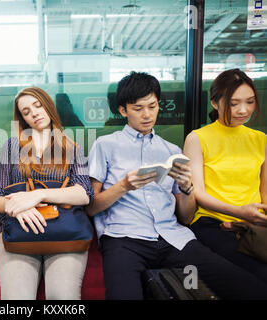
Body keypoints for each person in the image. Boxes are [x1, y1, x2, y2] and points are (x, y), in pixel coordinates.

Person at [87, 71, 267, 299]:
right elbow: (91, 206)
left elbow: (185, 217)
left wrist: (186, 188)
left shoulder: (171, 151)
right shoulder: (105, 145)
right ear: (123, 110)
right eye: (138, 108)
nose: (147, 115)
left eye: (152, 106)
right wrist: (123, 186)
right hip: (124, 239)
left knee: (250, 288)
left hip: (173, 238)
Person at [0, 87, 93, 300]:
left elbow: (84, 194)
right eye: (26, 111)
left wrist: (37, 196)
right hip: (19, 232)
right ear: (23, 119)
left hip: (65, 234)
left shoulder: (73, 147)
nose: (35, 113)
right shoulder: (10, 147)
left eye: (38, 106)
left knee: (63, 299)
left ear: (48, 106)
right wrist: (16, 209)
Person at [183, 68, 267, 284]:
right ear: (214, 103)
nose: (243, 110)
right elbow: (198, 193)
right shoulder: (197, 138)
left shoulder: (261, 139)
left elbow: (264, 192)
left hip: (254, 224)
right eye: (233, 103)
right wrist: (238, 213)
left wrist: (255, 219)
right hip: (212, 223)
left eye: (250, 102)